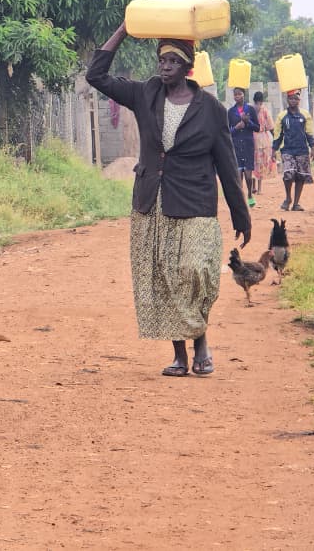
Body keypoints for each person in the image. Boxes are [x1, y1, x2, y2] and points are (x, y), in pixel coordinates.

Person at [86, 23, 250, 378]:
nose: (165, 66)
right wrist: (124, 31)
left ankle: (200, 341)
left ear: (188, 66)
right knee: (162, 277)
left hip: (195, 201)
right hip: (152, 201)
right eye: (162, 60)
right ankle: (180, 355)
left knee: (194, 272)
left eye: (173, 61)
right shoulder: (145, 94)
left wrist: (241, 215)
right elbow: (96, 75)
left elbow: (226, 163)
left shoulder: (210, 109)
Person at [272, 89, 314, 211]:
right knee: (288, 174)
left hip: (302, 150)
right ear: (287, 100)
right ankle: (288, 198)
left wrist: (313, 148)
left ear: (299, 100)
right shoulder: (282, 116)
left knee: (300, 177)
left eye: (295, 99)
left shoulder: (305, 115)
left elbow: (309, 133)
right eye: (291, 98)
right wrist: (274, 150)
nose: (293, 101)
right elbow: (278, 134)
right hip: (287, 150)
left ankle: (296, 203)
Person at [227, 88, 260, 207]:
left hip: (248, 145)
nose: (237, 97)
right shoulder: (230, 112)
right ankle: (240, 198)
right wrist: (236, 127)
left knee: (248, 174)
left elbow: (257, 128)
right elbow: (227, 131)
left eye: (239, 94)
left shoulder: (250, 109)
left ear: (244, 95)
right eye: (235, 95)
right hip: (236, 145)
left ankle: (250, 193)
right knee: (238, 174)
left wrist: (248, 122)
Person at [252, 91, 276, 195]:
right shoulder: (265, 110)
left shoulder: (251, 109)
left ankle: (254, 187)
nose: (258, 105)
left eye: (259, 102)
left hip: (253, 138)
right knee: (259, 162)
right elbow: (271, 127)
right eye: (258, 102)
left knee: (255, 162)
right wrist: (275, 139)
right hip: (261, 138)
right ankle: (258, 188)